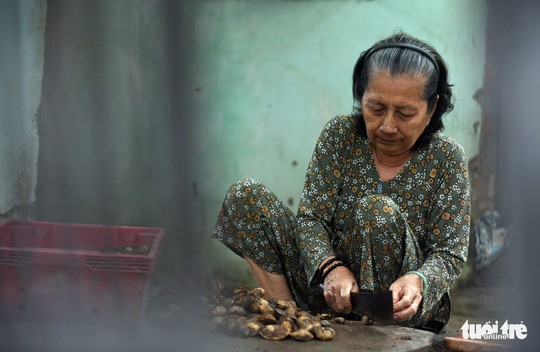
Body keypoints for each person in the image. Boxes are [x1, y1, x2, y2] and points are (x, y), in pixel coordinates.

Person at [212, 32, 470, 333]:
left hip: (399, 308)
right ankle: (293, 321)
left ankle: (377, 336)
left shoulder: (446, 157)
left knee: (377, 212)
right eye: (375, 108)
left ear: (432, 108)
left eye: (405, 113)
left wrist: (418, 281)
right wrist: (332, 268)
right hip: (329, 291)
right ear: (361, 97)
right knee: (246, 197)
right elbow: (311, 220)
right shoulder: (340, 136)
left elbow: (449, 253)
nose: (387, 125)